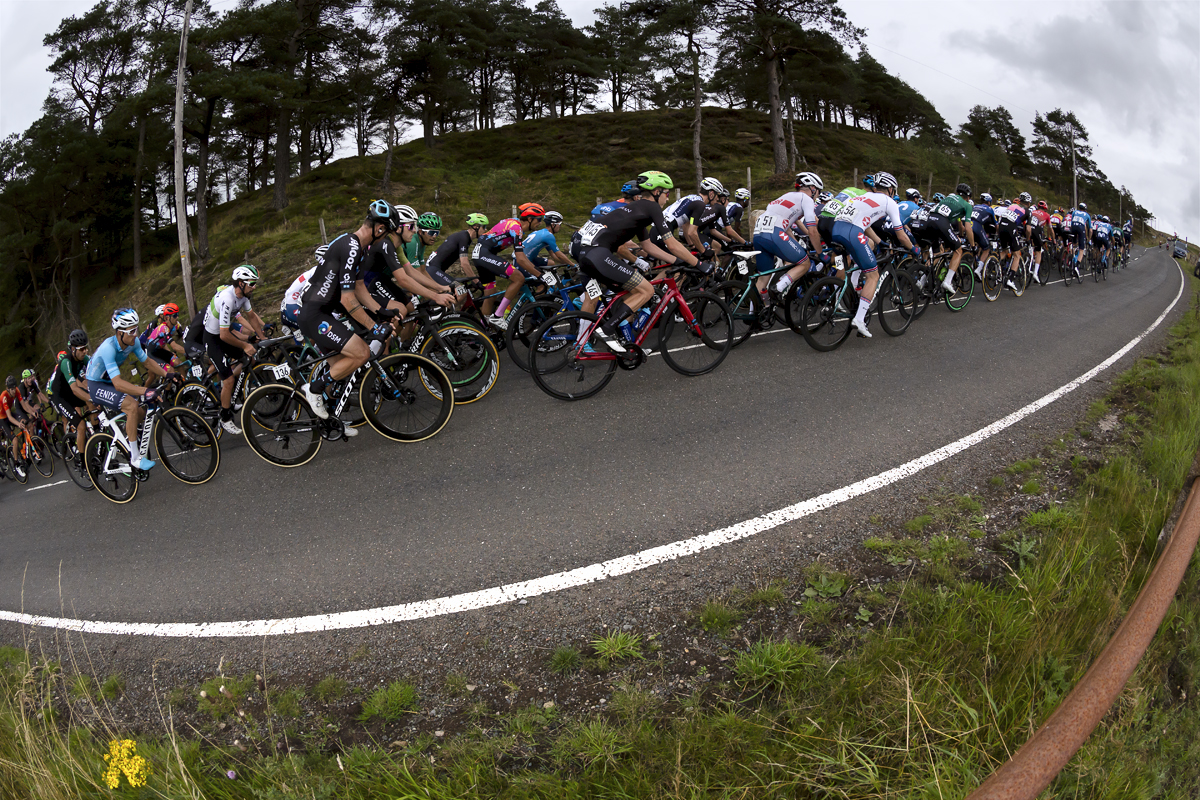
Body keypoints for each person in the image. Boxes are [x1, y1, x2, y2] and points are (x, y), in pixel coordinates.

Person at [575, 170, 705, 352]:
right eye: (667, 194)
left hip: (586, 251)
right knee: (647, 290)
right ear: (657, 191)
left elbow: (649, 246)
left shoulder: (637, 211)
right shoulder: (651, 207)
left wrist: (677, 261)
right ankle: (606, 330)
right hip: (597, 253)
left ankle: (621, 344)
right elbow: (672, 243)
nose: (667, 199)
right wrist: (697, 263)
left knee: (630, 294)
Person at [297, 200, 399, 424]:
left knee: (342, 372)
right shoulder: (351, 246)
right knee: (362, 353)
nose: (385, 238)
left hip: (321, 313)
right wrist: (374, 327)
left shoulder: (360, 249)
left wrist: (380, 311)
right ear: (379, 229)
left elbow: (360, 286)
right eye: (386, 233)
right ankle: (312, 389)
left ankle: (332, 422)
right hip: (315, 315)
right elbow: (347, 298)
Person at [830, 171, 921, 338]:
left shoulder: (860, 197)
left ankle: (838, 299)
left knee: (855, 265)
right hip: (852, 233)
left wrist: (879, 242)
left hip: (836, 230)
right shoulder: (889, 202)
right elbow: (900, 234)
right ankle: (859, 319)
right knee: (873, 275)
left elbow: (865, 223)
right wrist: (913, 249)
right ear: (891, 189)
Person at [84, 308, 172, 471]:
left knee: (140, 413)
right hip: (96, 385)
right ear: (119, 332)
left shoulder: (133, 342)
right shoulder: (108, 348)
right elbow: (118, 384)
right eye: (131, 331)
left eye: (136, 329)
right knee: (131, 406)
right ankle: (135, 457)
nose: (135, 334)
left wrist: (167, 374)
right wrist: (145, 391)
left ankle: (129, 432)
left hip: (109, 381)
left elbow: (147, 362)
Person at [203, 265, 267, 435]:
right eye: (252, 283)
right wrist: (246, 345)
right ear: (241, 283)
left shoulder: (244, 297)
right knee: (229, 379)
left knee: (251, 360)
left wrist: (262, 337)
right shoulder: (228, 298)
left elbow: (251, 316)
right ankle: (225, 417)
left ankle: (233, 392)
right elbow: (224, 335)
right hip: (214, 338)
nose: (254, 287)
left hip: (224, 334)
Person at [471, 204, 549, 330]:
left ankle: (481, 330)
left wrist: (536, 271)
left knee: (491, 293)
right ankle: (498, 315)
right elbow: (521, 259)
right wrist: (539, 275)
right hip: (484, 254)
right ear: (529, 219)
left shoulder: (514, 223)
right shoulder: (516, 228)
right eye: (538, 219)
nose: (540, 223)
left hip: (480, 254)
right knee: (519, 278)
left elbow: (522, 256)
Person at [756, 172, 826, 298]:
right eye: (819, 192)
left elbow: (787, 227)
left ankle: (754, 311)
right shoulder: (807, 199)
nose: (818, 195)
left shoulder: (785, 196)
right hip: (774, 234)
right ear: (813, 189)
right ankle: (778, 288)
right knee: (805, 263)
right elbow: (812, 230)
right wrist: (820, 253)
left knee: (763, 277)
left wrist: (797, 245)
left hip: (759, 233)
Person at [47, 329, 93, 466]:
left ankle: (97, 435)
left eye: (86, 347)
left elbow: (96, 372)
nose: (85, 351)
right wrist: (91, 397)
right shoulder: (65, 362)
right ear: (73, 349)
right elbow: (74, 387)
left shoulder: (84, 358)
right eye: (82, 349)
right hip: (60, 397)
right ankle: (82, 461)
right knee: (81, 425)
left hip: (70, 393)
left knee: (92, 405)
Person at [425, 213, 489, 289]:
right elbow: (464, 264)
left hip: (435, 270)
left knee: (456, 292)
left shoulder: (464, 237)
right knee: (460, 290)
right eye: (484, 227)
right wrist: (476, 281)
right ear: (475, 226)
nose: (486, 230)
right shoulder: (464, 238)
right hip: (433, 270)